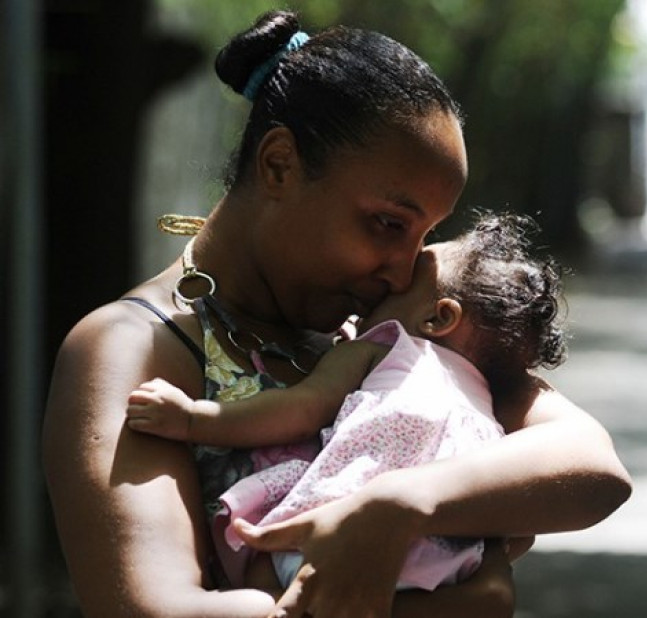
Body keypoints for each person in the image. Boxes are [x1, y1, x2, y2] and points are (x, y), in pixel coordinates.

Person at [41, 10, 631, 618]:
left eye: (425, 235)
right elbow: (154, 609)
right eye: (387, 224)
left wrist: (401, 503)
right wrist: (464, 601)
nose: (405, 271)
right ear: (278, 165)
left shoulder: (392, 327)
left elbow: (592, 466)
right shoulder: (136, 347)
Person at [124, 213, 567, 595]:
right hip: (446, 566)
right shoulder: (489, 408)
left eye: (410, 279)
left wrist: (191, 419)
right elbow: (518, 533)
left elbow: (301, 408)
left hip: (342, 539)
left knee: (261, 547)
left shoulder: (388, 346)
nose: (389, 283)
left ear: (438, 317)